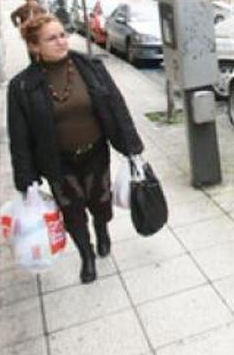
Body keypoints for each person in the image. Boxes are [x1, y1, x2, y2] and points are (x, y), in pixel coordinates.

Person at [8, 15, 143, 283]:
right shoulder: (22, 86)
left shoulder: (90, 67)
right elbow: (19, 136)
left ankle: (102, 229)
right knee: (72, 212)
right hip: (58, 163)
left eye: (62, 35)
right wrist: (25, 179)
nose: (61, 41)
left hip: (95, 153)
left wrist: (132, 146)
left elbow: (116, 106)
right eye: (51, 38)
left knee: (100, 201)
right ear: (35, 47)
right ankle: (87, 255)